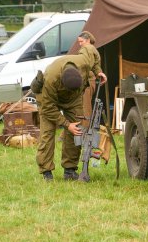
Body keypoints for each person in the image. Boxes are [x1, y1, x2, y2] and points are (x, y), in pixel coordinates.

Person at [36, 47, 107, 181]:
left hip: (73, 99)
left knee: (77, 130)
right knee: (47, 133)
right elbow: (47, 108)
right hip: (49, 100)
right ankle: (46, 172)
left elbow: (91, 49)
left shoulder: (84, 61)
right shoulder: (51, 79)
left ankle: (69, 170)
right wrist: (66, 124)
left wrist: (98, 72)